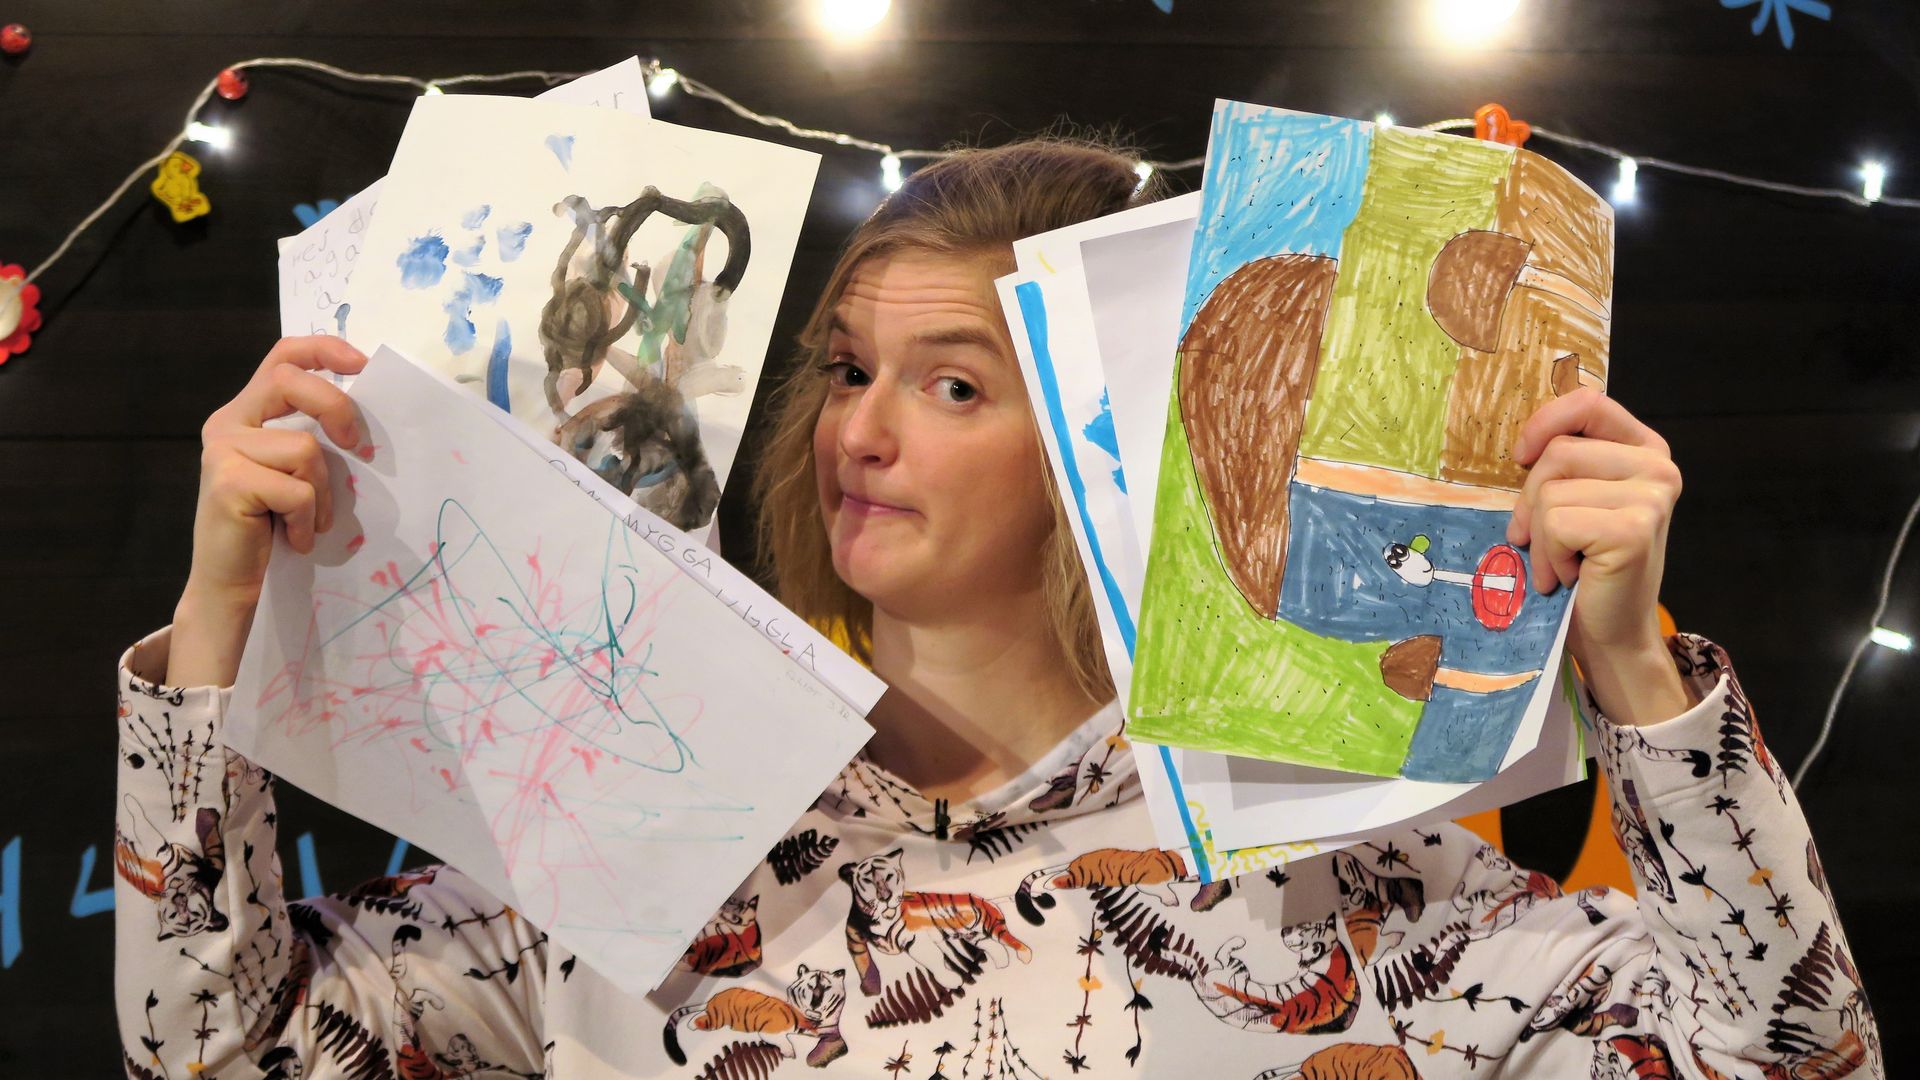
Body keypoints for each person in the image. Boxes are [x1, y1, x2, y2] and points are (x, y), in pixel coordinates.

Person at [116, 138, 1883, 1079]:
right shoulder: (645, 829)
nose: (861, 431)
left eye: (954, 386)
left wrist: (1632, 667)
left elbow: (1789, 1058)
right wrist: (218, 616)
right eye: (849, 369)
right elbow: (220, 1049)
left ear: (1115, 448)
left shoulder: (1328, 877)